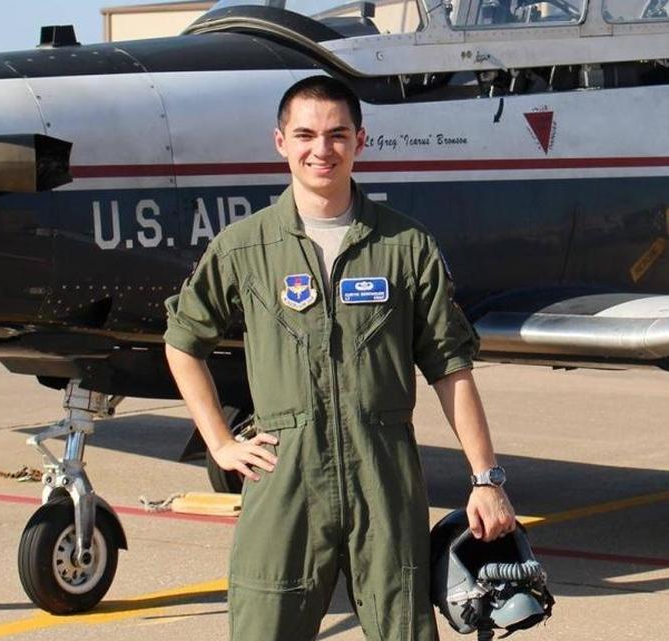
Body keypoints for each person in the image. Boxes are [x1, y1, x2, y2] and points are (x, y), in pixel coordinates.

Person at [163, 75, 516, 641]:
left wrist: (486, 479)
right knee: (263, 627)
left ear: (360, 141)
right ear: (280, 142)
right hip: (285, 481)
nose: (320, 150)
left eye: (337, 135)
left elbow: (451, 367)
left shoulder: (406, 246)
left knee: (402, 628)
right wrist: (221, 443)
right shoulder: (244, 247)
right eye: (305, 134)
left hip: (384, 478)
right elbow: (183, 342)